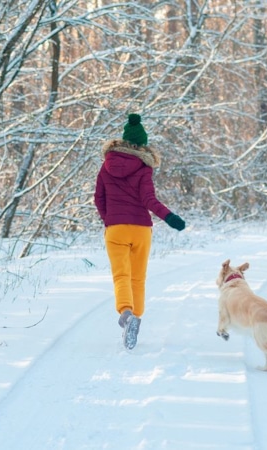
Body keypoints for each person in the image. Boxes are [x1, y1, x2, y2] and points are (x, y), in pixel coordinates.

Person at [94, 113, 186, 350]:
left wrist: (109, 219)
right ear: (142, 144)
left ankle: (126, 314)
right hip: (141, 229)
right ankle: (136, 316)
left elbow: (98, 198)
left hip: (115, 229)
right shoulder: (144, 168)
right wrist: (169, 217)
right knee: (138, 277)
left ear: (123, 141)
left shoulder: (106, 166)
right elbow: (148, 199)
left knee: (121, 276)